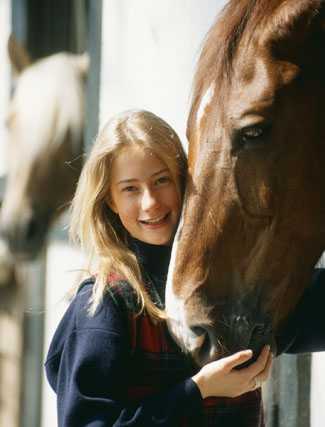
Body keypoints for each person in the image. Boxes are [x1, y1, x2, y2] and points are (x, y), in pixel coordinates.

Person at [45, 109, 272, 427]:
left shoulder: (226, 283)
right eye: (130, 189)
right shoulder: (104, 304)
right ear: (110, 200)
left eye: (161, 180)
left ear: (184, 181)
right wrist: (199, 390)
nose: (150, 202)